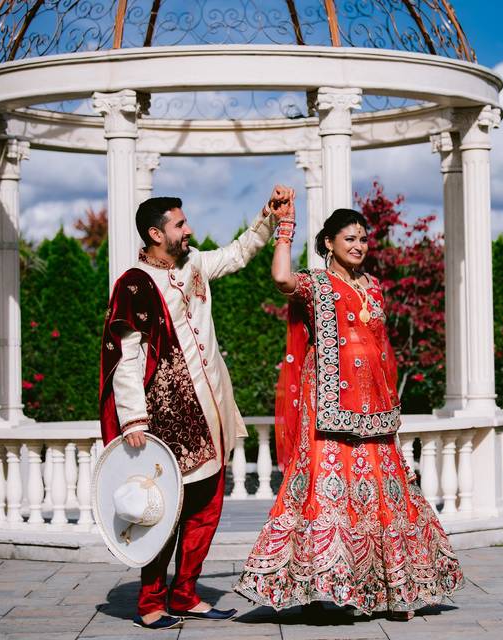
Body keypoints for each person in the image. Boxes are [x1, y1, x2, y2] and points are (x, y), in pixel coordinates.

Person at [234, 203, 463, 619]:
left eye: (363, 239)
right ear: (328, 243)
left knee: (382, 492)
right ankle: (326, 590)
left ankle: (396, 590)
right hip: (327, 406)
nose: (359, 246)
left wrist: (391, 402)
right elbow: (282, 277)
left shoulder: (373, 285)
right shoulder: (317, 284)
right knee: (328, 492)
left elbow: (382, 345)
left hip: (374, 407)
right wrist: (285, 227)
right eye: (350, 239)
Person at [100, 188, 293, 630]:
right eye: (179, 225)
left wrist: (268, 217)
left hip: (211, 407)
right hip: (166, 413)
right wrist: (133, 418)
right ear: (155, 233)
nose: (188, 230)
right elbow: (126, 356)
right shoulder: (134, 283)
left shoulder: (194, 264)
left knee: (206, 507)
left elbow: (238, 254)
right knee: (165, 510)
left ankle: (185, 594)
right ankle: (151, 602)